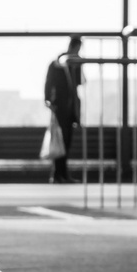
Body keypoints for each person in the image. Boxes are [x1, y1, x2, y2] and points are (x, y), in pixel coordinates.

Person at [44, 36, 85, 183]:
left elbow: (79, 83)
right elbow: (49, 83)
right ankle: (58, 173)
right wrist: (48, 99)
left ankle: (61, 173)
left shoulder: (75, 64)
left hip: (70, 107)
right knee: (60, 140)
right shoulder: (57, 64)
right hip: (60, 106)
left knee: (66, 141)